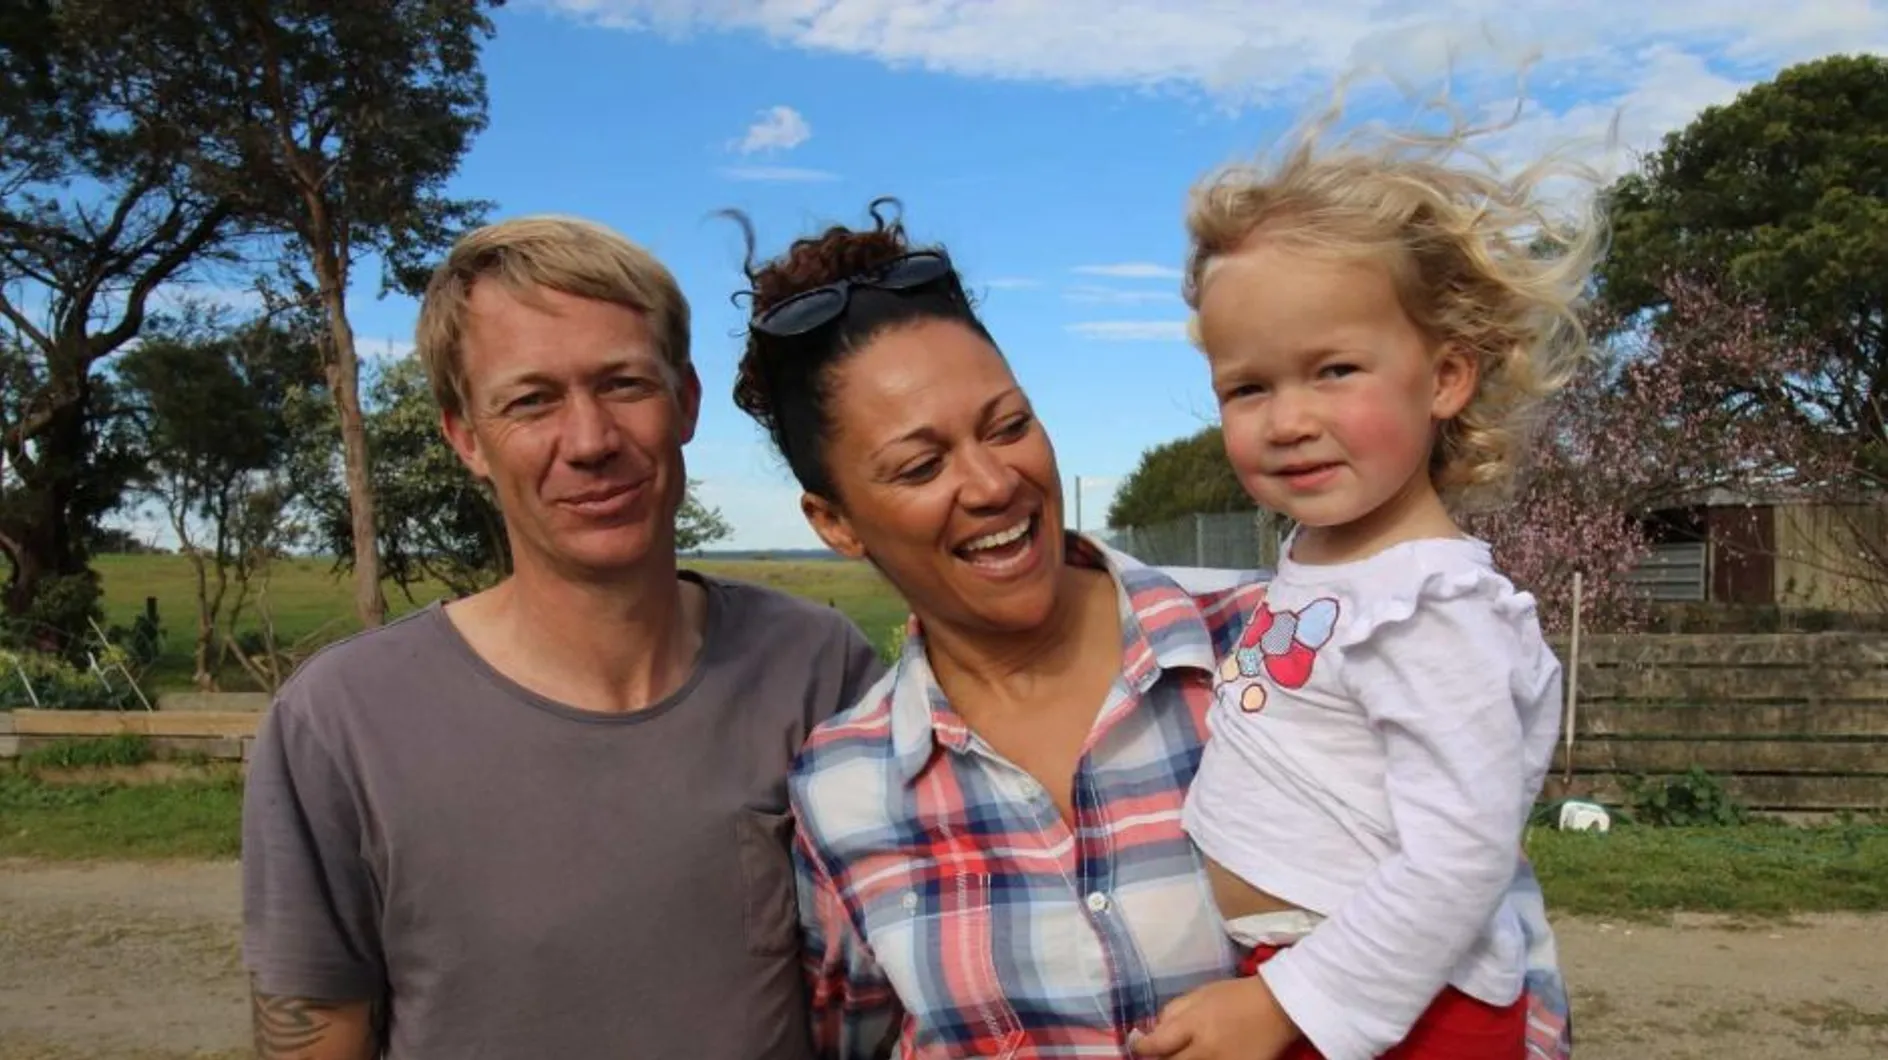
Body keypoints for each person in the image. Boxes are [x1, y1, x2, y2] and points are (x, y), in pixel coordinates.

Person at [723, 198, 1576, 1059]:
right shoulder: (843, 793)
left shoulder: (1287, 645)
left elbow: (1495, 944)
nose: (991, 483)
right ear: (835, 522)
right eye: (920, 466)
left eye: (1009, 426)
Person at [240, 215, 883, 1060]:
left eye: (624, 384)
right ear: (465, 437)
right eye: (531, 401)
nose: (589, 441)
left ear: (686, 402)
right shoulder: (340, 723)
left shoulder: (820, 670)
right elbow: (316, 1033)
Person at [1130, 108, 1602, 1060]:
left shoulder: (1432, 610)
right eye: (1248, 387)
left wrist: (1285, 1006)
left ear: (1446, 378)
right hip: (1325, 981)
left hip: (1400, 1009)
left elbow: (1460, 857)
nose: (1287, 420)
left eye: (1334, 370)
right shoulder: (1330, 564)